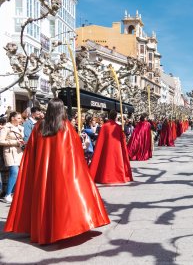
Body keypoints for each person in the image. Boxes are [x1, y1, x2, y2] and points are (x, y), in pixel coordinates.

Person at [4, 99, 110, 244]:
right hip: (62, 171)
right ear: (62, 109)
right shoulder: (65, 127)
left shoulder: (39, 126)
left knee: (43, 197)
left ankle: (43, 228)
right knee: (62, 200)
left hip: (42, 171)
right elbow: (75, 153)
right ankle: (63, 228)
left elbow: (31, 152)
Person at [89, 110, 133, 184]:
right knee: (117, 161)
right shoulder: (117, 127)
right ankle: (118, 176)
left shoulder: (104, 126)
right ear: (115, 117)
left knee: (106, 160)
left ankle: (105, 176)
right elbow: (123, 140)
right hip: (117, 149)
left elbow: (100, 142)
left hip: (107, 149)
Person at [0, 112, 24, 203]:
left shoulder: (21, 128)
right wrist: (15, 142)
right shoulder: (6, 127)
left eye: (20, 118)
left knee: (18, 174)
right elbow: (1, 141)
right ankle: (8, 194)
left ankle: (14, 194)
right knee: (14, 172)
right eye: (18, 118)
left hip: (19, 152)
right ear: (12, 118)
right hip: (9, 152)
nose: (20, 120)